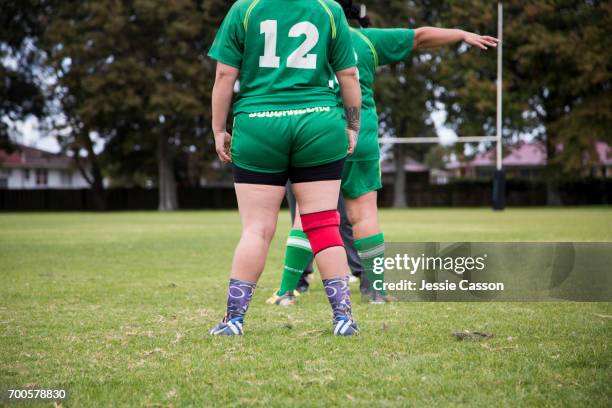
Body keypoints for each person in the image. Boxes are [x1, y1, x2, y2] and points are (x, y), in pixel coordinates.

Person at [269, 0, 499, 304]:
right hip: (360, 133)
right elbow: (419, 36)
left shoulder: (298, 38)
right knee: (364, 215)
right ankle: (376, 291)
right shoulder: (366, 40)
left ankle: (287, 291)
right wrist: (459, 34)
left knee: (309, 215)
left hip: (317, 133)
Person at [208, 0, 363, 336]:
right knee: (323, 224)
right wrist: (352, 125)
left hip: (259, 124)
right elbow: (349, 75)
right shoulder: (328, 8)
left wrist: (219, 129)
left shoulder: (245, 8)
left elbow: (224, 74)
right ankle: (343, 319)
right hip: (318, 123)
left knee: (257, 230)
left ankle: (233, 321)